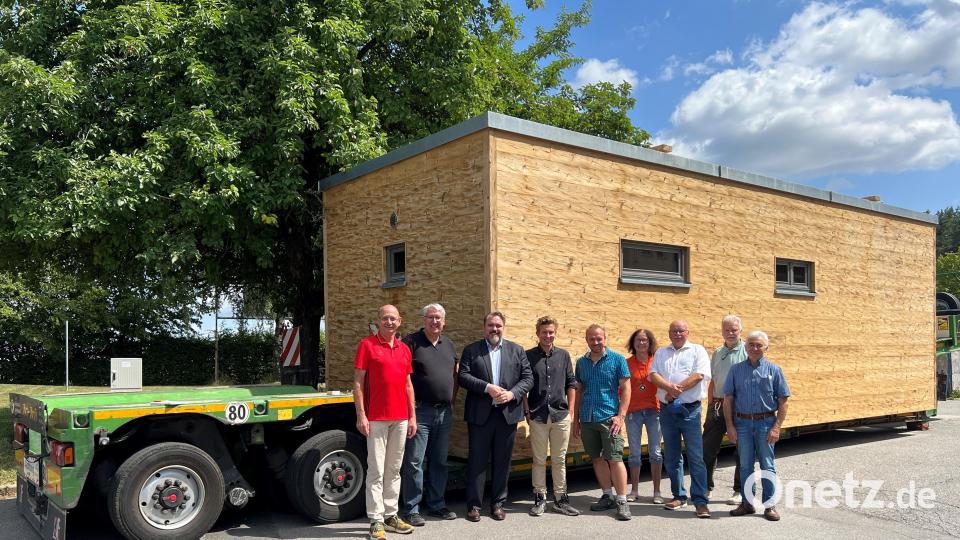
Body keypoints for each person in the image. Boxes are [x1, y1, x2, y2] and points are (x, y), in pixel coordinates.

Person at [458, 311, 533, 522]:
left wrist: (512, 394)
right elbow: (463, 376)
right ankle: (474, 505)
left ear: (503, 327)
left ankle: (498, 504)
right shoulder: (472, 350)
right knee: (477, 462)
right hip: (480, 415)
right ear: (484, 328)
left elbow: (528, 378)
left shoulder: (516, 350)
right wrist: (487, 387)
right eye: (491, 325)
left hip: (506, 416)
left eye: (498, 325)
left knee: (502, 462)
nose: (494, 329)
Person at [353, 305, 417, 540]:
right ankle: (376, 519)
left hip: (400, 418)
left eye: (393, 319)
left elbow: (408, 385)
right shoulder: (367, 345)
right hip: (377, 418)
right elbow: (358, 382)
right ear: (377, 321)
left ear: (400, 322)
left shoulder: (404, 349)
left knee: (393, 470)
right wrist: (361, 415)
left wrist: (412, 416)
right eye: (385, 319)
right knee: (376, 470)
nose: (389, 322)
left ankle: (391, 515)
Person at [399, 303, 459, 526]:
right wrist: (409, 410)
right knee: (414, 461)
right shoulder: (411, 343)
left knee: (439, 461)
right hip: (420, 411)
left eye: (439, 318)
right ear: (424, 320)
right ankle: (411, 509)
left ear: (444, 321)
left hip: (444, 412)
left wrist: (451, 401)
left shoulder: (448, 344)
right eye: (431, 317)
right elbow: (402, 378)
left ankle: (436, 505)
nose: (435, 322)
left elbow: (455, 374)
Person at [724, 330, 791, 522]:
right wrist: (730, 425)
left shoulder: (775, 370)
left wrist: (776, 426)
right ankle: (747, 503)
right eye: (751, 344)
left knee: (767, 465)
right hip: (742, 424)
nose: (755, 348)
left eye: (759, 345)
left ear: (766, 348)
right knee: (745, 465)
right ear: (745, 347)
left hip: (766, 423)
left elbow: (783, 401)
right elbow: (728, 399)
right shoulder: (736, 370)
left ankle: (770, 505)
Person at [649, 320, 712, 518]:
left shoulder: (697, 350)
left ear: (687, 332)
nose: (677, 334)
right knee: (672, 456)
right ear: (669, 333)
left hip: (690, 411)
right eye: (673, 331)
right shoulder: (661, 352)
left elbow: (699, 375)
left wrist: (675, 391)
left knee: (695, 457)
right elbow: (653, 374)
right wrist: (669, 389)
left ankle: (700, 501)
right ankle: (679, 496)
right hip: (667, 411)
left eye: (681, 330)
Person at [573, 324, 632, 521]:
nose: (595, 342)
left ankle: (622, 500)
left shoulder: (617, 360)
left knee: (615, 458)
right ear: (587, 340)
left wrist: (621, 415)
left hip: (609, 418)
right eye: (592, 339)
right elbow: (579, 391)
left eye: (599, 338)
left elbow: (626, 389)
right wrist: (576, 420)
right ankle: (607, 495)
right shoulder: (581, 363)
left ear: (605, 338)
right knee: (597, 458)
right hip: (588, 418)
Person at [524, 316, 579, 517]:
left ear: (555, 333)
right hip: (538, 415)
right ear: (537, 333)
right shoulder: (528, 356)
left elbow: (571, 384)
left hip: (560, 414)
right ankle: (539, 498)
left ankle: (560, 499)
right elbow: (523, 386)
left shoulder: (563, 356)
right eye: (544, 332)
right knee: (539, 459)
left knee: (559, 459)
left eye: (551, 332)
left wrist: (571, 410)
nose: (548, 335)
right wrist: (527, 409)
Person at [702, 315, 747, 505]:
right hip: (718, 405)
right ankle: (706, 487)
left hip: (740, 406)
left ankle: (739, 491)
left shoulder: (747, 351)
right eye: (726, 330)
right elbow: (712, 380)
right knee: (707, 449)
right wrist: (711, 404)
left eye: (734, 330)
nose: (730, 333)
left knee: (742, 450)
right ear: (722, 331)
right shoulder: (717, 352)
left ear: (740, 331)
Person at [624, 328, 663, 504]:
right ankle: (634, 490)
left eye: (645, 340)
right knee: (634, 453)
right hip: (633, 412)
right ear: (633, 343)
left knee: (655, 452)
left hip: (654, 411)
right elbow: (622, 388)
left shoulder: (657, 361)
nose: (641, 343)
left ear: (650, 343)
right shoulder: (626, 363)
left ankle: (657, 492)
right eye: (638, 340)